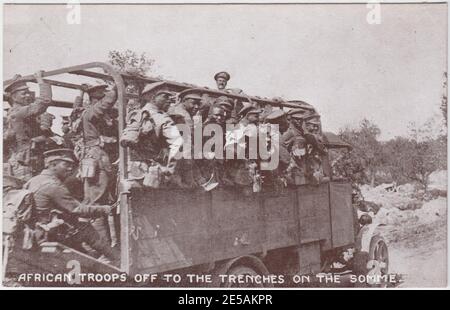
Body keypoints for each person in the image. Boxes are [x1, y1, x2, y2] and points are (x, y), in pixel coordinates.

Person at [24, 149, 118, 263]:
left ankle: (88, 258)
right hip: (47, 235)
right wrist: (104, 209)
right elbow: (77, 209)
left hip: (35, 231)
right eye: (66, 164)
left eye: (71, 166)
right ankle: (117, 261)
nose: (70, 169)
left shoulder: (34, 180)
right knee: (85, 228)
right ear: (53, 165)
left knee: (75, 225)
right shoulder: (53, 185)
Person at [120, 82, 183, 185]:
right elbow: (178, 143)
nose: (169, 100)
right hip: (153, 173)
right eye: (165, 96)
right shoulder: (161, 117)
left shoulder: (137, 113)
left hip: (134, 169)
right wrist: (169, 170)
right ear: (153, 97)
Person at [4, 71, 52, 181]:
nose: (28, 95)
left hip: (29, 157)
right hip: (27, 161)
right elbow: (44, 101)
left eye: (28, 92)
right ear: (14, 97)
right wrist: (40, 80)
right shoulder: (19, 112)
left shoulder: (15, 112)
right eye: (23, 93)